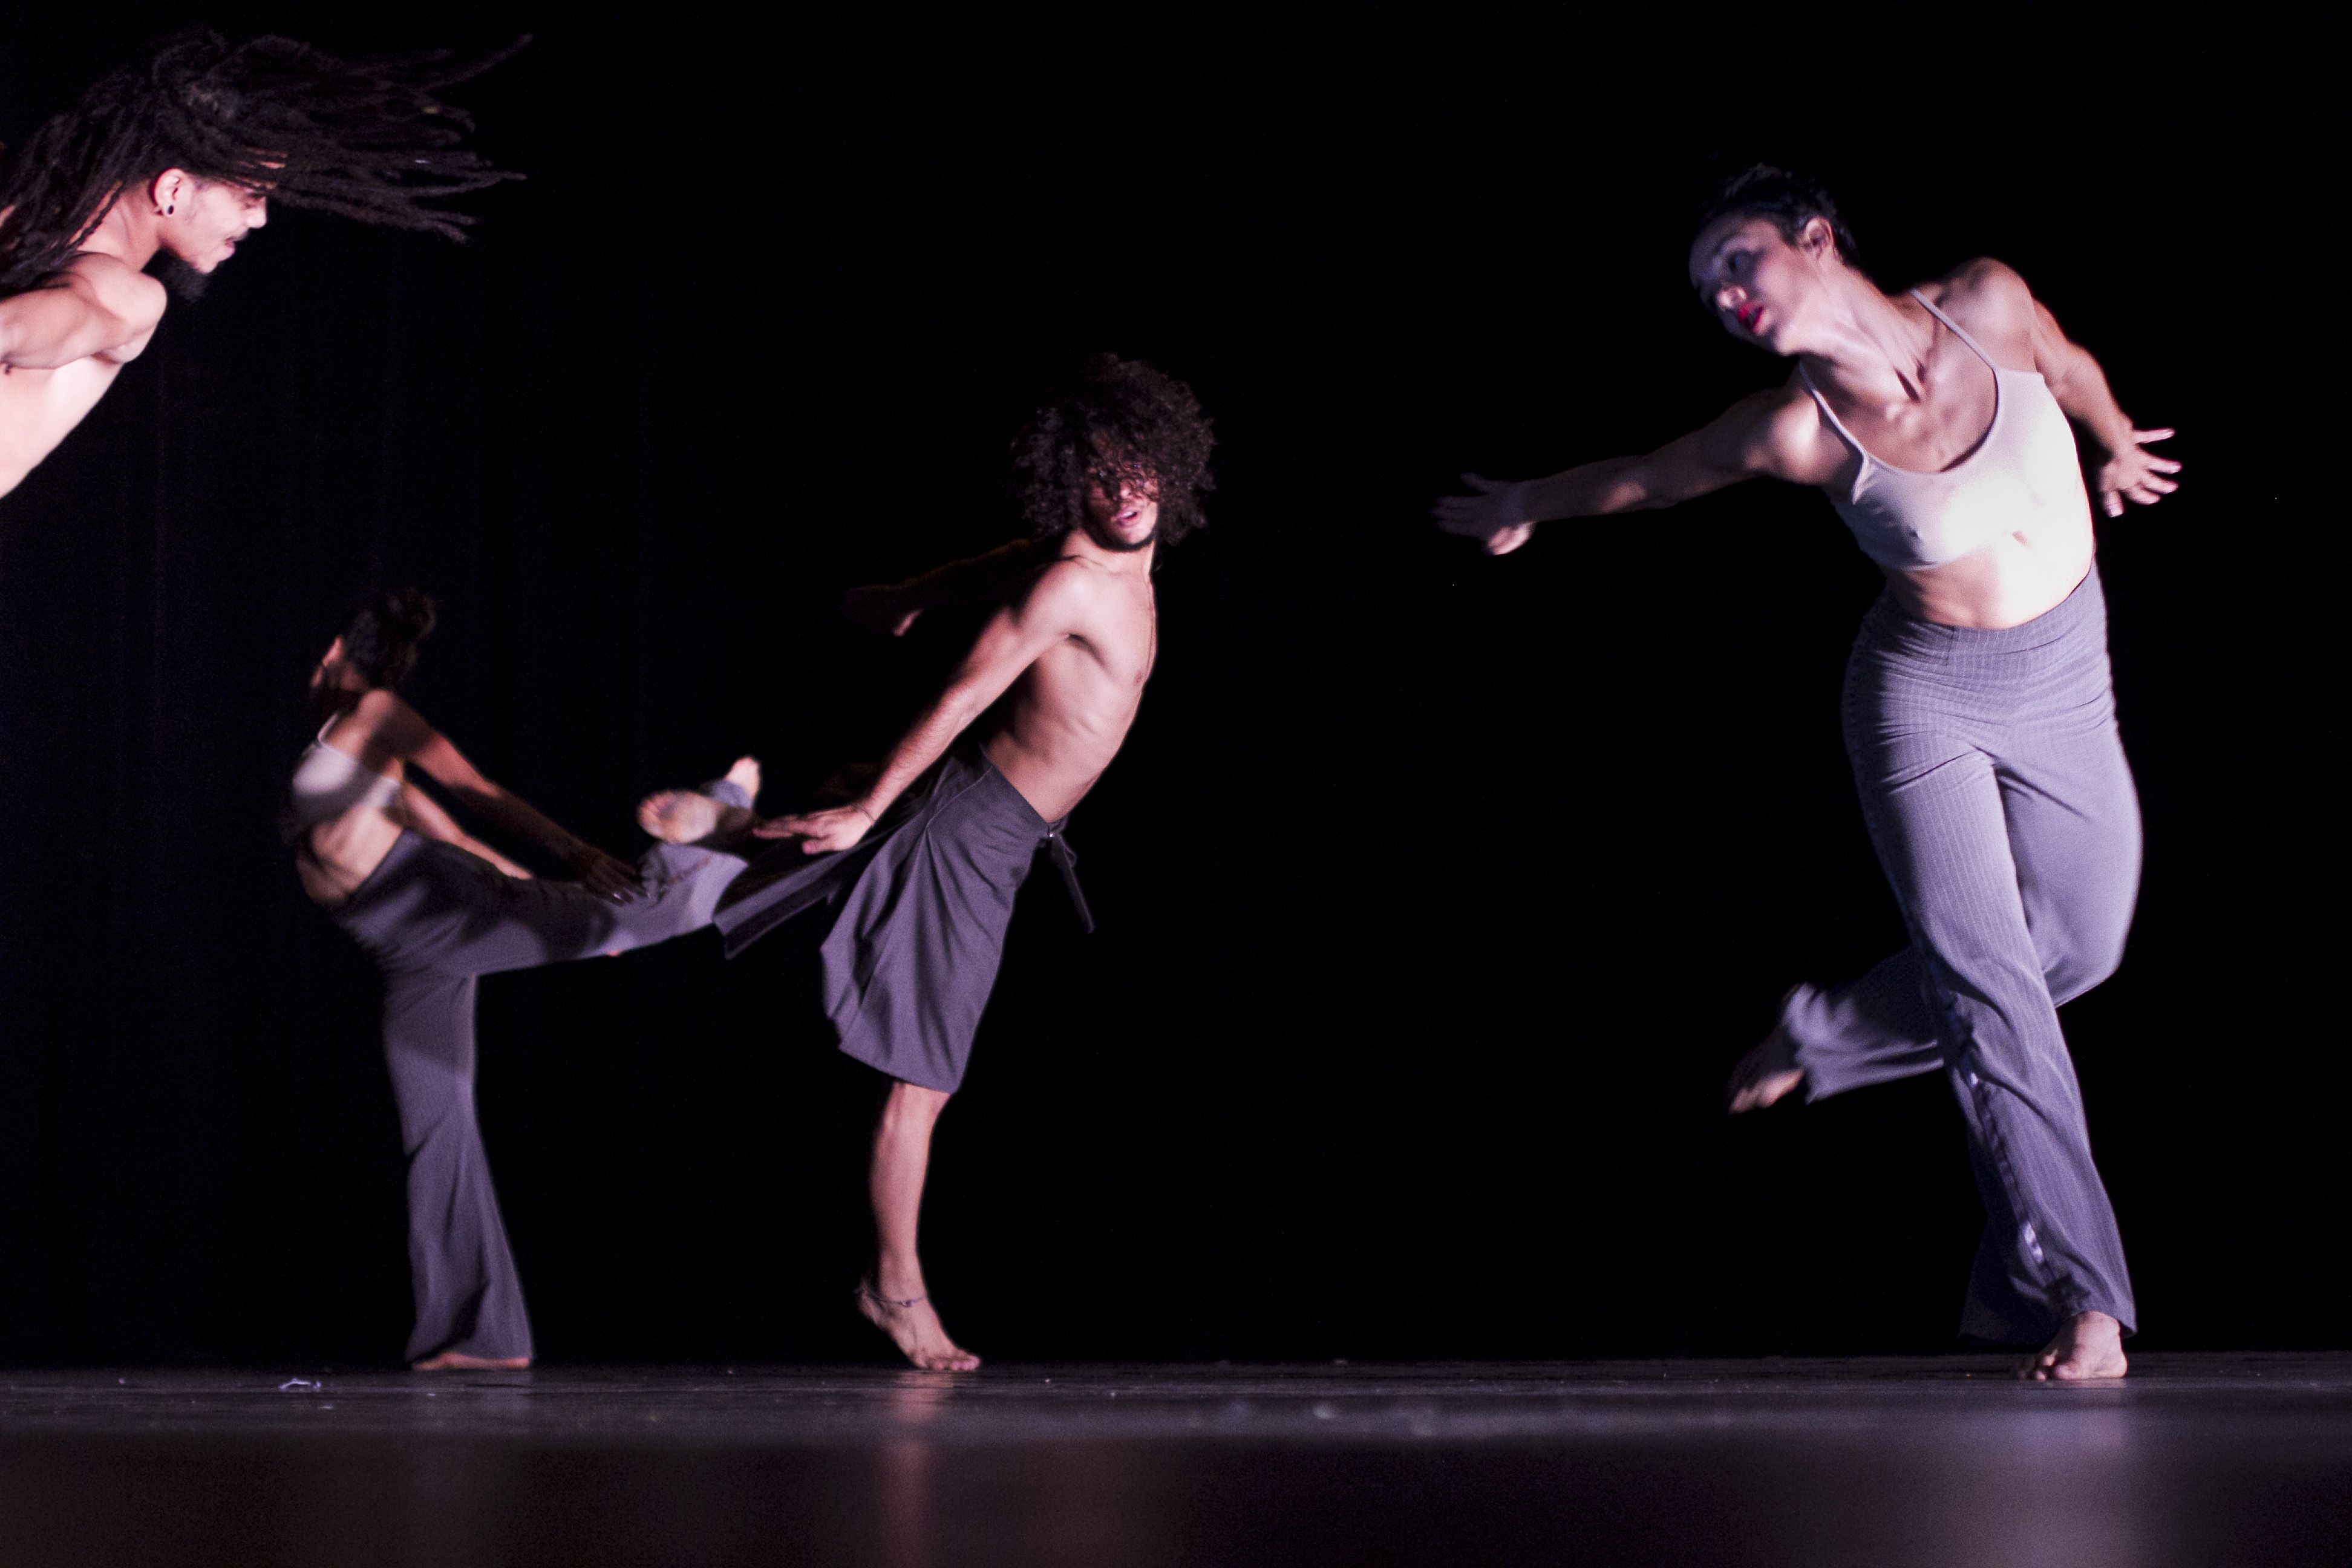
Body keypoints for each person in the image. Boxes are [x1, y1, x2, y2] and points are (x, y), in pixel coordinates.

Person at [1434, 168, 2179, 1382]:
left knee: (2080, 950)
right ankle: (2084, 1301)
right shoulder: (1797, 431)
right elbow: (1657, 473)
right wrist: (1531, 501)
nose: (1726, 296)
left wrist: (2111, 439)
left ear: (1815, 237)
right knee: (1993, 991)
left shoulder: (1983, 301)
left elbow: (2064, 358)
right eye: (1708, 293)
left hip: (2064, 671)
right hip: (1924, 703)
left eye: (1738, 262)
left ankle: (1826, 1037)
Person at [665, 354, 1214, 1371]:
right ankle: (894, 1290)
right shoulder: (1073, 583)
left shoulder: (1096, 562)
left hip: (995, 833)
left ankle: (714, 841)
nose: (1124, 490)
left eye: (1138, 466)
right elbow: (962, 695)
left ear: (1171, 466)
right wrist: (872, 805)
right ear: (1073, 482)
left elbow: (999, 563)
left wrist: (910, 593)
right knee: (920, 1081)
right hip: (970, 831)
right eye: (1100, 474)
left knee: (838, 934)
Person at [290, 586, 758, 1370]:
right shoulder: (349, 746)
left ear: (334, 653)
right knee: (437, 1124)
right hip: (401, 948)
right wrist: (547, 897)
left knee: (646, 910)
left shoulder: (374, 712)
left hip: (437, 910)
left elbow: (477, 791)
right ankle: (479, 1335)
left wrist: (573, 858)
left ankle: (728, 807)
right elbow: (446, 827)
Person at [0, 27, 519, 499]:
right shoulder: (128, 294)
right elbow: (19, 327)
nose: (261, 218)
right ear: (174, 190)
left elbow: (35, 324)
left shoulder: (66, 252)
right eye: (250, 196)